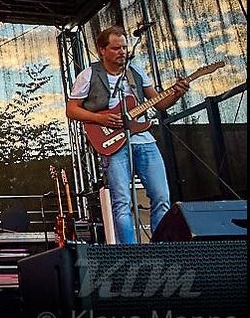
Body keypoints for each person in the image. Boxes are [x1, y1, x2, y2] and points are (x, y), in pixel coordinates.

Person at [66, 25, 188, 243]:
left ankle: (159, 248)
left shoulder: (136, 71)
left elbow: (160, 103)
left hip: (144, 140)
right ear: (102, 50)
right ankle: (128, 252)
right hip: (113, 143)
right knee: (121, 201)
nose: (121, 52)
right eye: (115, 48)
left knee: (161, 196)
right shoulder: (89, 74)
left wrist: (176, 94)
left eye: (123, 47)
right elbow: (71, 109)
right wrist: (100, 119)